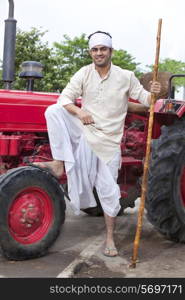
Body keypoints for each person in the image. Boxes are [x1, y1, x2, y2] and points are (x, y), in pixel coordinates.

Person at [34, 31, 161, 257]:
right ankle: (58, 163)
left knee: (108, 191)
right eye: (95, 49)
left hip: (108, 142)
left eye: (103, 49)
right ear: (90, 52)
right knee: (53, 110)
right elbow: (64, 98)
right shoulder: (84, 73)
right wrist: (79, 111)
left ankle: (110, 238)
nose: (99, 53)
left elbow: (145, 100)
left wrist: (154, 92)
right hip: (85, 130)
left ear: (111, 51)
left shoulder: (125, 76)